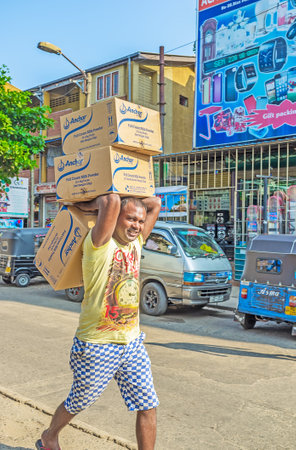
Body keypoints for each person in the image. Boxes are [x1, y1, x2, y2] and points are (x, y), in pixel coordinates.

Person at [36, 193, 161, 450]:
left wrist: (132, 195)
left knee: (148, 405)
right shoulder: (99, 244)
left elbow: (155, 203)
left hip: (132, 343)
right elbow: (110, 201)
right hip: (96, 344)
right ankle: (50, 436)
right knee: (78, 401)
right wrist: (82, 206)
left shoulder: (136, 243)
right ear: (115, 220)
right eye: (130, 219)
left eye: (140, 220)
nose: (137, 225)